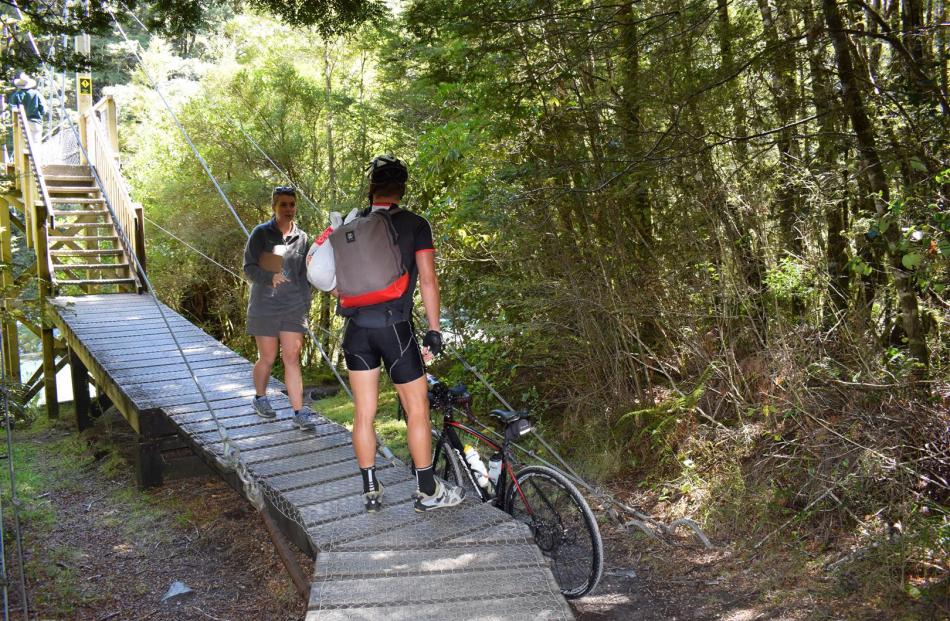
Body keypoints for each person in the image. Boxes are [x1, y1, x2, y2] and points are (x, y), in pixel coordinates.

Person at [338, 155, 464, 513]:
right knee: (417, 408)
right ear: (402, 189)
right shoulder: (415, 224)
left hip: (356, 331)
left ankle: (370, 488)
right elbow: (427, 279)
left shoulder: (355, 223)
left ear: (371, 187)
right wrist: (435, 329)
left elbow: (336, 282)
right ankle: (428, 490)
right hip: (395, 328)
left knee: (363, 413)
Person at [243, 186, 319, 431]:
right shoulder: (261, 234)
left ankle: (298, 412)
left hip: (293, 307)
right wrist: (269, 277)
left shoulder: (303, 238)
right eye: (283, 204)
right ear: (274, 207)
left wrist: (306, 305)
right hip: (265, 304)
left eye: (292, 204)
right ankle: (260, 397)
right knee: (267, 357)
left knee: (292, 357)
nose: (288, 209)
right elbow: (249, 268)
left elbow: (306, 275)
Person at [8, 73, 45, 145]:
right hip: (35, 122)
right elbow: (43, 109)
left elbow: (12, 109)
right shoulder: (36, 94)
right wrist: (40, 114)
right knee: (35, 145)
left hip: (21, 124)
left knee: (22, 147)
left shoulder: (15, 95)